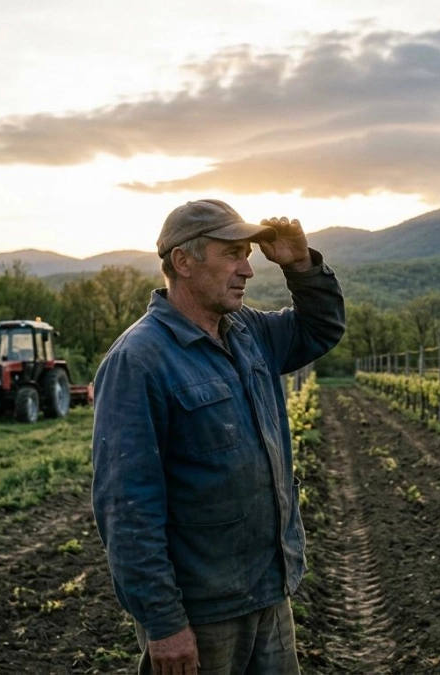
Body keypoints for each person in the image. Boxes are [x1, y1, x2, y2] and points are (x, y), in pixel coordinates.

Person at [91, 199, 346, 675]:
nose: (248, 269)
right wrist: (164, 624)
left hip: (268, 590)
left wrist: (301, 267)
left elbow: (321, 328)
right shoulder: (139, 360)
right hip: (201, 611)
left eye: (247, 253)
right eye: (232, 254)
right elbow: (127, 507)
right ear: (183, 262)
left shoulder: (247, 332)